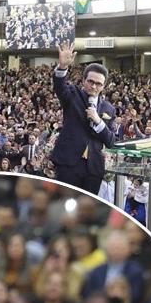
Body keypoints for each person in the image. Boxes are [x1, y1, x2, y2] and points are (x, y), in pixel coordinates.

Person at [52, 42, 116, 194]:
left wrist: (98, 121)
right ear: (83, 81)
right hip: (68, 164)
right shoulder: (73, 95)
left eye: (98, 84)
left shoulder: (109, 109)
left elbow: (111, 141)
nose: (94, 86)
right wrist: (62, 67)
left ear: (103, 86)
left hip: (93, 168)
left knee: (87, 210)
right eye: (91, 82)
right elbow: (60, 87)